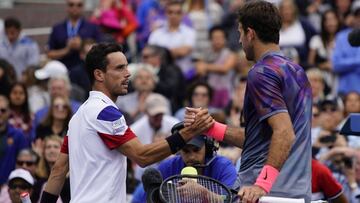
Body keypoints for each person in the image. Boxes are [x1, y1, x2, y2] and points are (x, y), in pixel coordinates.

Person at [40, 43, 213, 203]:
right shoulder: (105, 112)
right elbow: (143, 156)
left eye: (126, 66)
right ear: (99, 74)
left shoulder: (78, 116)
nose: (128, 73)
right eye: (120, 68)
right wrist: (189, 132)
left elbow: (58, 170)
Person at [186, 1, 312, 202]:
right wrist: (211, 127)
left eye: (240, 33)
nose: (239, 40)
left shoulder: (261, 72)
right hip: (296, 193)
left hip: (261, 193)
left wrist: (262, 185)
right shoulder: (298, 72)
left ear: (250, 33)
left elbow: (284, 133)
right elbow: (263, 141)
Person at [131, 135, 237, 203]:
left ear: (208, 147)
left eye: (196, 150)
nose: (191, 157)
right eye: (186, 151)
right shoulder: (167, 167)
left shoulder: (224, 167)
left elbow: (231, 199)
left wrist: (205, 194)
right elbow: (139, 199)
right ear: (179, 150)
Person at [46, 0, 102, 70]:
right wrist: (66, 50)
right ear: (67, 6)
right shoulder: (57, 28)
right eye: (71, 5)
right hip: (63, 70)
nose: (75, 7)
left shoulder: (93, 27)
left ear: (83, 7)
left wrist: (82, 45)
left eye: (79, 5)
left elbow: (100, 51)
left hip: (86, 71)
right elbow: (49, 54)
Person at [0, 95, 28, 186]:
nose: (0, 113)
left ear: (9, 112)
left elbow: (24, 163)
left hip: (9, 187)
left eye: (3, 110)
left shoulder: (18, 135)